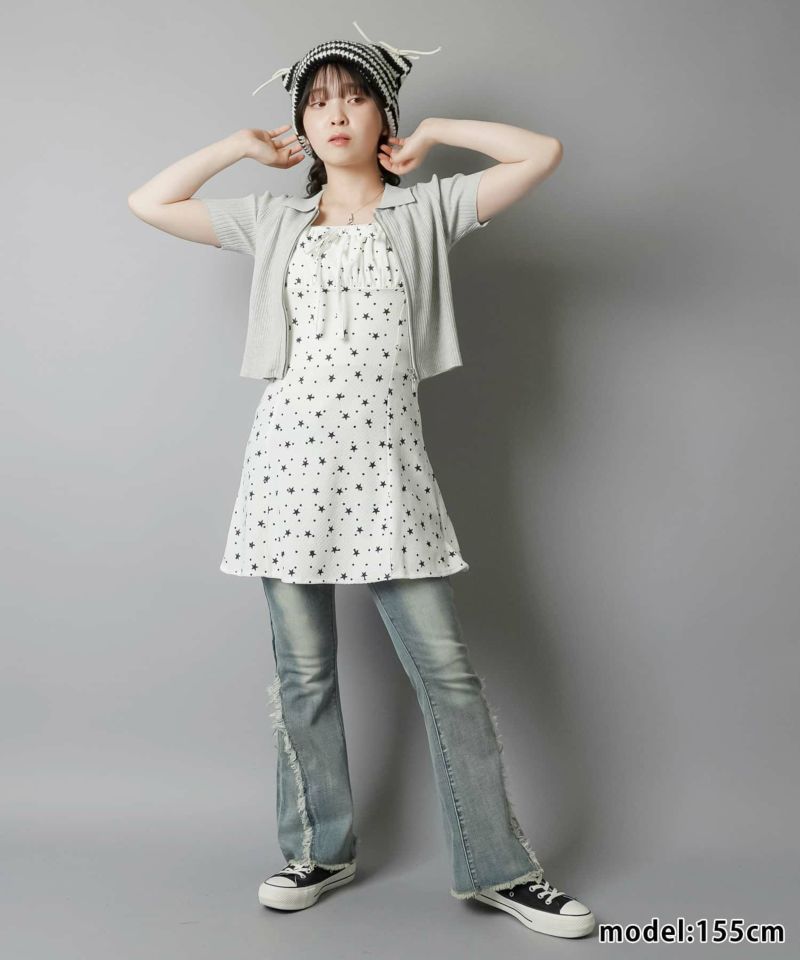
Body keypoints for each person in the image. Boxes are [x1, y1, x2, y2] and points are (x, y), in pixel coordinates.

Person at [128, 22, 594, 940]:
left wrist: (441, 130)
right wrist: (236, 148)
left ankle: (500, 869)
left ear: (384, 114)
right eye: (316, 101)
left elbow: (541, 153)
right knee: (303, 676)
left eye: (353, 96)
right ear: (301, 124)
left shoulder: (427, 213)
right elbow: (149, 200)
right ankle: (318, 849)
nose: (334, 113)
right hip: (286, 474)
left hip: (388, 477)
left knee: (448, 676)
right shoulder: (273, 222)